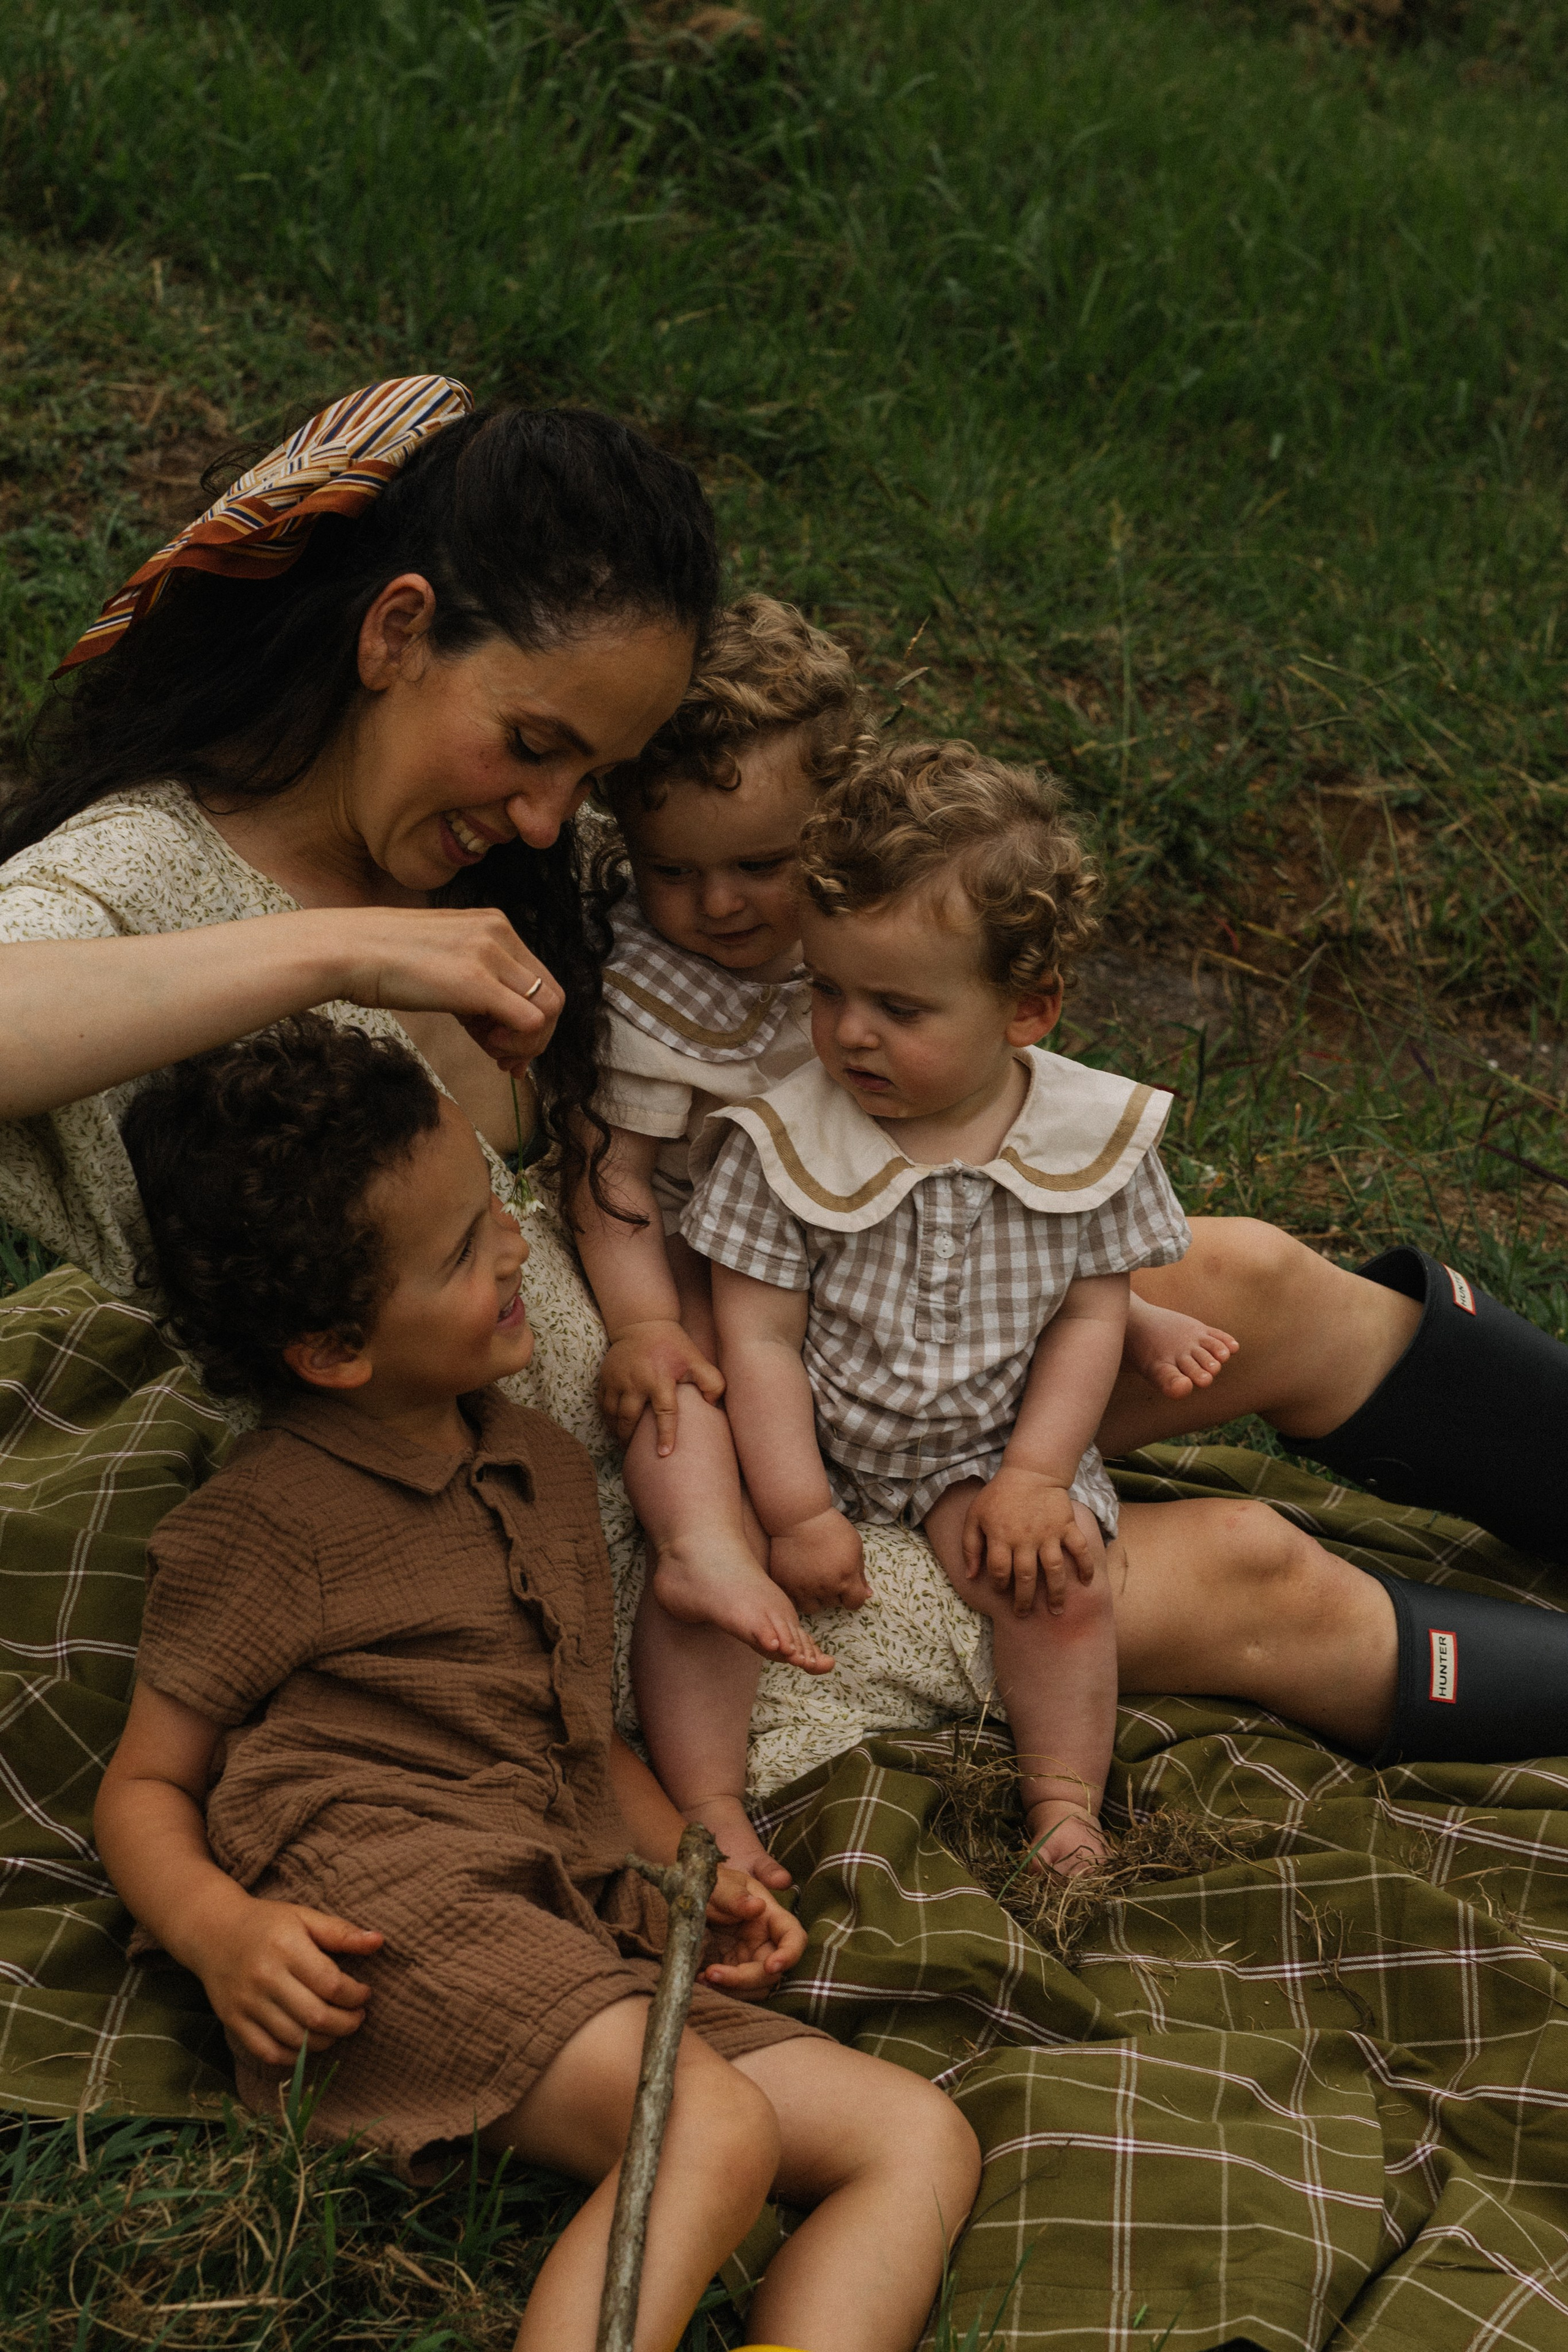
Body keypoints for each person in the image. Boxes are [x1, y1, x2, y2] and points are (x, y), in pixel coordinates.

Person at [0, 374, 1560, 1797]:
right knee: (1249, 1571)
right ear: (396, 632)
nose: (548, 822)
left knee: (1250, 1279)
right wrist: (333, 956)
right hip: (619, 1543)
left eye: (584, 777)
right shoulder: (147, 876)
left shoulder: (536, 865)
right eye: (528, 746)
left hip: (807, 1352)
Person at [96, 1017, 982, 2352]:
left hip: (559, 1917)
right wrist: (223, 1934)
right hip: (381, 1924)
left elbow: (578, 1740)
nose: (514, 1246)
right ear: (334, 1348)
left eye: (492, 1201)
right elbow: (146, 1784)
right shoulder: (266, 1524)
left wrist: (692, 1862)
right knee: (710, 2124)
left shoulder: (542, 1465)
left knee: (915, 2135)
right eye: (459, 1250)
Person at [670, 744, 1568, 1868]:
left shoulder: (1081, 1140)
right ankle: (714, 1809)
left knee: (1071, 1544)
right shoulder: (788, 1144)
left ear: (1028, 1010)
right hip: (792, 1452)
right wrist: (798, 1510)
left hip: (978, 1442)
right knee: (1213, 1557)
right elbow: (757, 1333)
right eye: (829, 992)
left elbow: (1092, 1310)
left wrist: (1037, 1476)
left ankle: (1065, 1809)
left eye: (896, 1006)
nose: (850, 1032)